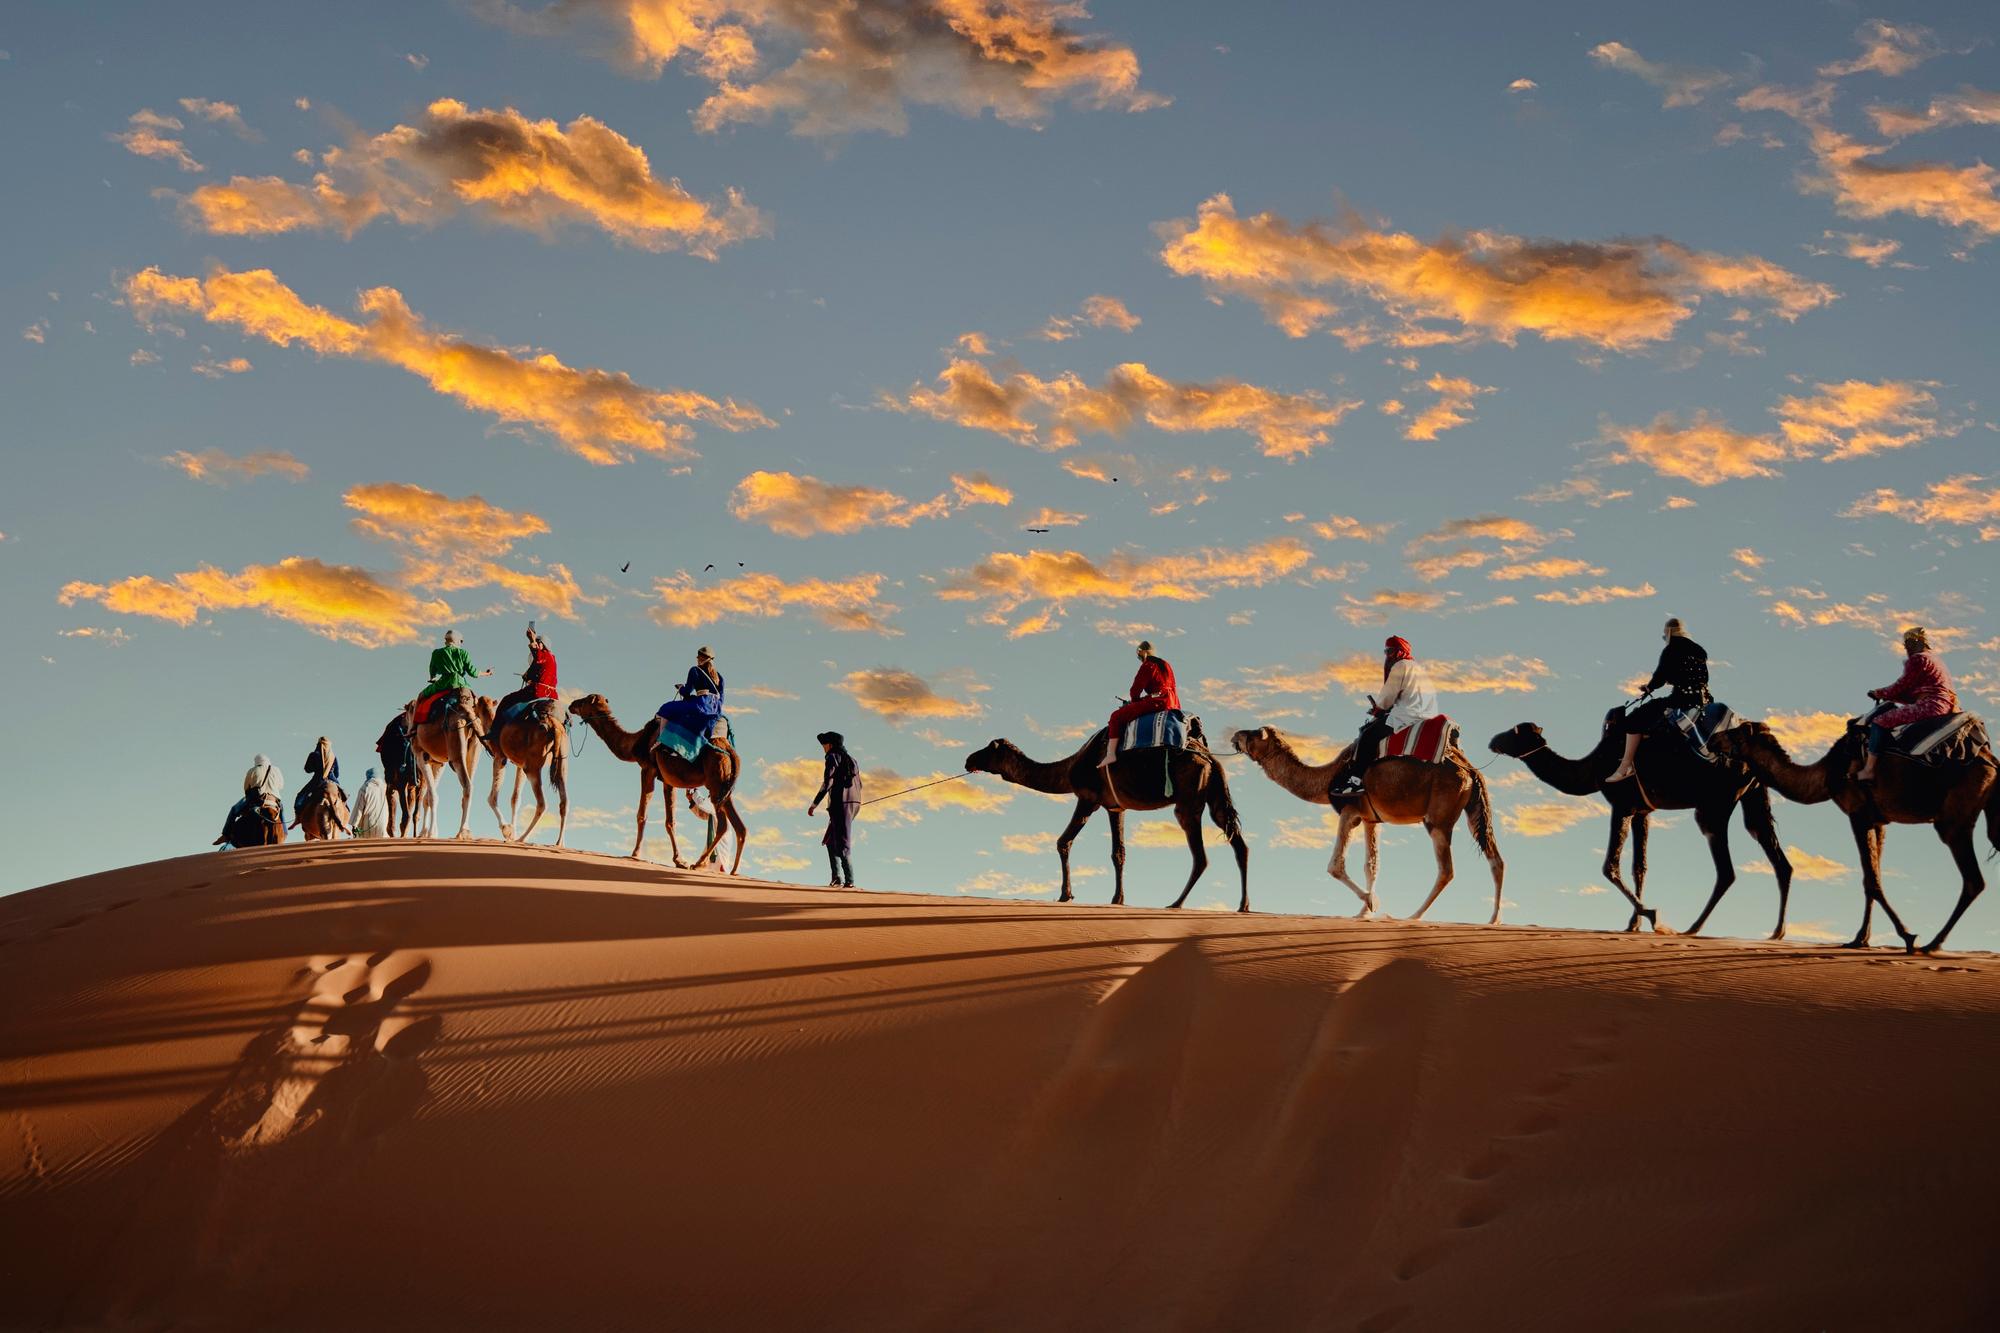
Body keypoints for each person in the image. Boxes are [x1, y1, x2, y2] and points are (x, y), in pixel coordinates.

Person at [1606, 617, 1709, 784]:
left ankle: (1626, 767)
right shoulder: (1699, 651)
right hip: (1702, 701)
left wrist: (1649, 687)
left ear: (1668, 633)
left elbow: (1660, 677)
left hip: (1680, 700)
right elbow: (1704, 678)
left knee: (1633, 720)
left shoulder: (1671, 649)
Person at [1336, 635, 1439, 793]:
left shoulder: (1400, 666)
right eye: (1386, 651)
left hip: (1408, 715)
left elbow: (1388, 695)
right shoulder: (1417, 667)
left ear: (1399, 651)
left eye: (1390, 651)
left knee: (1367, 736)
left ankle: (1356, 781)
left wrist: (1378, 709)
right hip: (1425, 713)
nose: (1387, 655)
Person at [1859, 626, 1959, 781]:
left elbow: (1902, 685)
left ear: (1916, 642)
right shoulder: (1936, 660)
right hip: (1945, 706)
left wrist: (1879, 693)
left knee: (1880, 721)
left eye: (1909, 644)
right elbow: (1911, 692)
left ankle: (1869, 770)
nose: (1907, 648)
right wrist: (1893, 697)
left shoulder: (1918, 659)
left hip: (1930, 706)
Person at [486, 624, 559, 743]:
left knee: (507, 700)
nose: (537, 644)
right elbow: (534, 671)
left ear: (543, 645)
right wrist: (527, 675)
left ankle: (495, 732)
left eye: (538, 642)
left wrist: (531, 639)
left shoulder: (545, 655)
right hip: (552, 695)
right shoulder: (550, 659)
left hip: (538, 691)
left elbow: (538, 657)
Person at [808, 731, 860, 887]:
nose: (823, 747)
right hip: (852, 804)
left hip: (840, 805)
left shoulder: (832, 757)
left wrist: (814, 804)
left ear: (829, 745)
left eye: (824, 744)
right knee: (831, 840)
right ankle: (836, 877)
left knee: (843, 842)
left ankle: (849, 881)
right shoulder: (852, 760)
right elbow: (858, 784)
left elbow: (827, 782)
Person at [1106, 640, 1180, 743]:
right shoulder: (1166, 664)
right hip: (1173, 703)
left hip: (1158, 702)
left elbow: (1135, 691)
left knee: (1115, 717)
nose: (1139, 658)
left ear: (1144, 652)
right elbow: (1173, 687)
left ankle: (1110, 754)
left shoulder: (1147, 665)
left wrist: (1135, 701)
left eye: (1139, 655)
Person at [662, 645, 732, 752]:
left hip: (701, 705)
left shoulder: (695, 670)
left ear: (700, 658)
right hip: (716, 709)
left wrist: (681, 688)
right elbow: (721, 700)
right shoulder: (720, 677)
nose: (698, 660)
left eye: (699, 657)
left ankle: (664, 742)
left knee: (667, 708)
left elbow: (686, 692)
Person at [415, 629, 491, 724]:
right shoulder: (463, 653)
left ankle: (413, 727)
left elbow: (432, 670)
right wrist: (486, 673)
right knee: (476, 703)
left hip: (442, 684)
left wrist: (433, 678)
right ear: (457, 640)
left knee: (420, 696)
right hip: (461, 685)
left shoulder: (436, 653)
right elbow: (473, 672)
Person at [351, 767, 388, 838]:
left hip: (368, 825)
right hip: (383, 825)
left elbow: (359, 808)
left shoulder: (365, 787)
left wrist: (354, 825)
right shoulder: (385, 787)